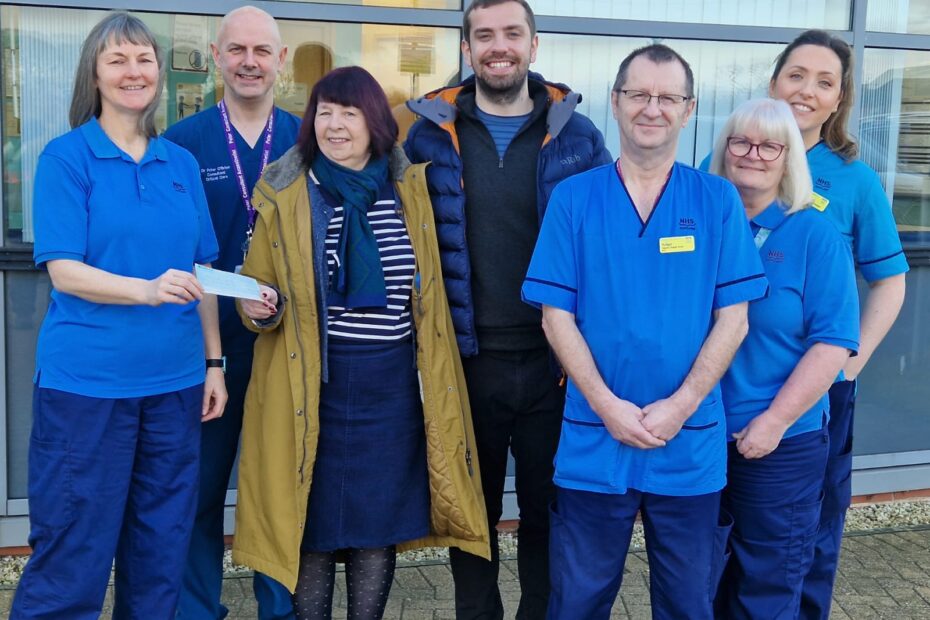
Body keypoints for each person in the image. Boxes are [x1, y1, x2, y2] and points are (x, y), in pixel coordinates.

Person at [231, 66, 491, 619]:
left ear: (374, 121)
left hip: (392, 391)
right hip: (314, 390)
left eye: (348, 112)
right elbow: (257, 290)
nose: (335, 124)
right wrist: (256, 309)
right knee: (315, 529)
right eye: (324, 111)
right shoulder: (287, 194)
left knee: (377, 528)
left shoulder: (409, 191)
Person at [521, 44, 769, 620]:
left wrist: (682, 405)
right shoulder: (574, 199)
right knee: (577, 601)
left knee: (687, 603)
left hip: (689, 439)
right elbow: (554, 315)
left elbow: (735, 317)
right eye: (638, 94)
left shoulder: (716, 199)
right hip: (593, 436)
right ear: (615, 102)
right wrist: (606, 405)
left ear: (689, 110)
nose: (651, 108)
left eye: (667, 97)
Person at [10, 12, 225, 618]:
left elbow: (202, 272)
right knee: (73, 553)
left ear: (159, 72)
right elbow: (64, 270)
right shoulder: (66, 158)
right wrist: (147, 290)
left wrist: (214, 362)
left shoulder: (178, 164)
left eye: (144, 59)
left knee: (160, 553)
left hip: (176, 388)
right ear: (95, 75)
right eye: (118, 60)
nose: (134, 72)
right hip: (88, 391)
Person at [404, 1, 611, 616]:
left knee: (551, 507)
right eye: (484, 35)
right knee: (473, 513)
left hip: (556, 361)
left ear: (534, 44)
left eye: (512, 34)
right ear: (467, 48)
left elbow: (605, 242)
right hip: (466, 362)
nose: (499, 46)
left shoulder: (578, 134)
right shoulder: (425, 133)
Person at [164, 6, 302, 618]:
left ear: (282, 60)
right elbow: (172, 253)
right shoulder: (181, 144)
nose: (250, 61)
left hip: (287, 346)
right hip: (205, 348)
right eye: (237, 50)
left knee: (278, 488)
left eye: (262, 50)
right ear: (216, 57)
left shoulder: (310, 138)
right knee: (198, 489)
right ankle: (198, 609)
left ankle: (279, 608)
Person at [766, 31, 909, 619]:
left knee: (811, 527)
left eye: (824, 82)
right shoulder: (731, 155)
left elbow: (890, 281)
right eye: (796, 75)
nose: (806, 90)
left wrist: (851, 363)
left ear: (838, 99)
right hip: (732, 380)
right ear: (774, 81)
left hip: (818, 389)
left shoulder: (854, 180)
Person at [708, 98, 860, 618]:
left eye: (770, 145)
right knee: (698, 580)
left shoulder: (814, 235)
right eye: (741, 141)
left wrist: (773, 422)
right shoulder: (702, 226)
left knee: (766, 587)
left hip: (780, 445)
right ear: (724, 150)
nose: (753, 154)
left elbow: (834, 343)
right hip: (699, 438)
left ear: (788, 156)